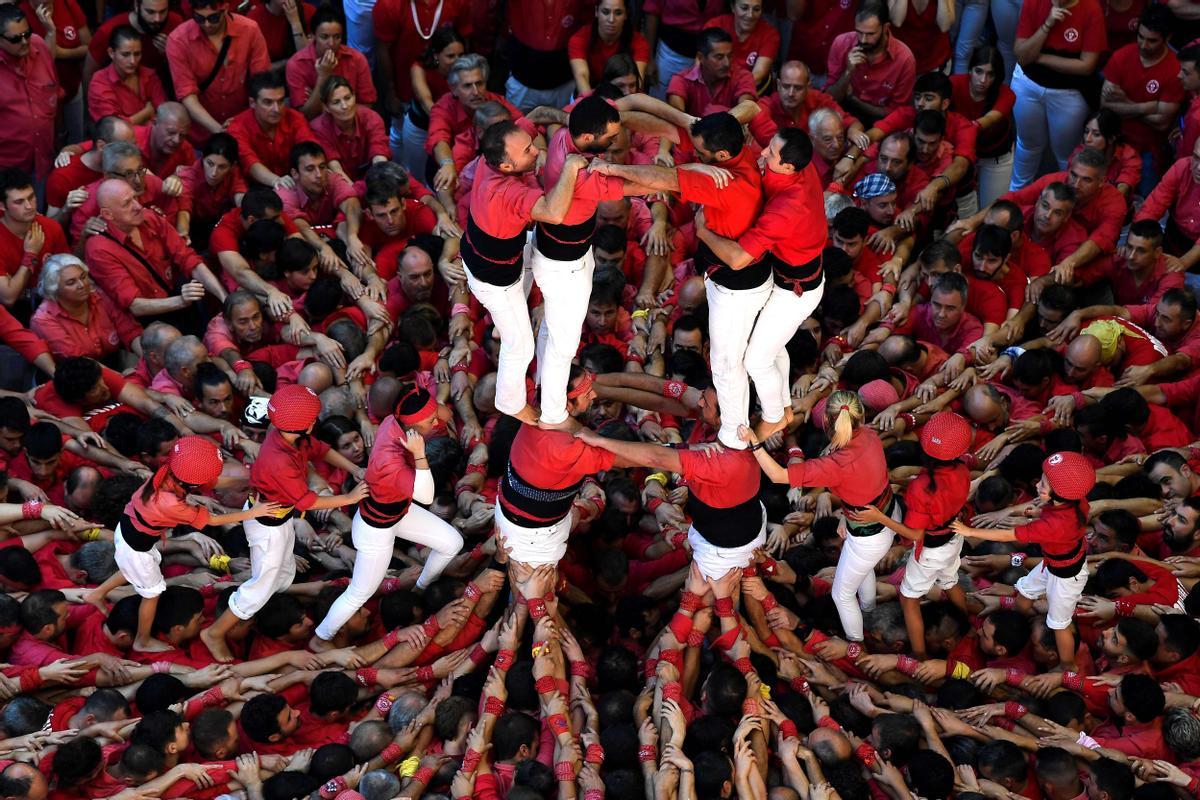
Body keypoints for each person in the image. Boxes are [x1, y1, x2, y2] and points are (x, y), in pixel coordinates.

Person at [199, 383, 367, 661]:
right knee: (261, 585)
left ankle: (272, 604)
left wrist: (354, 469)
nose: (316, 420)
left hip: (279, 515)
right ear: (301, 425)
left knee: (282, 574)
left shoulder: (291, 435)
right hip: (268, 524)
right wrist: (349, 499)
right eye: (312, 417)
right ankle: (215, 632)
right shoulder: (278, 460)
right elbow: (309, 502)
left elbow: (322, 450)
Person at [87, 436, 281, 652]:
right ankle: (142, 640)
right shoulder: (170, 503)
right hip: (136, 546)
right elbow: (214, 519)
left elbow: (211, 481)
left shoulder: (172, 469)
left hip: (128, 528)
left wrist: (253, 477)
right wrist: (255, 512)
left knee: (132, 568)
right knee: (152, 594)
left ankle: (97, 593)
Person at [691, 129, 826, 438]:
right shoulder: (802, 165)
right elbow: (753, 109)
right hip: (785, 274)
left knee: (756, 358)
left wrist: (703, 231)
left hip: (796, 291)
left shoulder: (788, 207)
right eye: (768, 146)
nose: (763, 153)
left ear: (790, 167)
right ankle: (785, 406)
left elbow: (738, 259)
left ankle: (775, 416)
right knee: (769, 344)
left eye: (772, 154)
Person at [312, 386, 463, 648]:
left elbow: (445, 413)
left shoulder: (396, 419)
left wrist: (431, 413)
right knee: (360, 593)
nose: (437, 423)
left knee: (452, 542)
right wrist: (419, 454)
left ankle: (420, 586)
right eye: (430, 422)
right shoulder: (388, 459)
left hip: (397, 510)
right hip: (375, 528)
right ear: (412, 427)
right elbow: (426, 497)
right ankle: (321, 637)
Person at [744, 390, 898, 644]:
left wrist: (755, 444)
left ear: (826, 422)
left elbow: (778, 476)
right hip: (885, 512)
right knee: (863, 569)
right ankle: (869, 609)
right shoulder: (869, 435)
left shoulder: (836, 464)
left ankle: (855, 644)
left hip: (868, 533)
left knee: (842, 595)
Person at [459, 120, 585, 425]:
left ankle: (503, 324)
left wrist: (555, 119)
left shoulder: (495, 155)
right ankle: (510, 401)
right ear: (505, 165)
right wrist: (570, 166)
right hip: (495, 280)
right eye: (528, 150)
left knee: (531, 248)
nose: (535, 149)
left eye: (531, 142)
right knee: (521, 345)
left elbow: (532, 118)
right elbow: (554, 213)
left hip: (487, 253)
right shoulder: (505, 192)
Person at [952, 450, 1095, 670]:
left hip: (1066, 576)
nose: (1038, 486)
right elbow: (1057, 513)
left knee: (1059, 625)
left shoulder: (1052, 527)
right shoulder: (1077, 501)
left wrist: (970, 531)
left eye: (1044, 485)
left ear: (1060, 495)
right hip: (1052, 563)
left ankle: (1067, 666)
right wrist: (1036, 514)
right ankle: (1020, 624)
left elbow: (1008, 535)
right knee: (1024, 596)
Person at [852, 410, 971, 658]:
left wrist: (879, 516)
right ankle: (967, 628)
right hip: (953, 537)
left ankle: (919, 656)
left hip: (931, 549)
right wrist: (903, 483)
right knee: (950, 581)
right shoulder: (961, 469)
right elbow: (939, 491)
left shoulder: (920, 487)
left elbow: (915, 534)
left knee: (909, 600)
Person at [1009, 0, 1106, 188]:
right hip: (1028, 85)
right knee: (1027, 146)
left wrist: (1041, 58)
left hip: (1069, 94)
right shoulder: (1034, 2)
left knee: (1066, 154)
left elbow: (1086, 66)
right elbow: (1022, 55)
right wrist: (1047, 24)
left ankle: (1067, 201)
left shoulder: (1091, 9)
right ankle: (1015, 197)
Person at [166, 0, 270, 145]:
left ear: (225, 8)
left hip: (245, 124)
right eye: (199, 18)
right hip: (200, 134)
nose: (207, 24)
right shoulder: (178, 40)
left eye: (213, 18)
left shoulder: (250, 29)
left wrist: (241, 124)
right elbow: (187, 95)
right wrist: (220, 130)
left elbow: (262, 84)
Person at [30, 254, 141, 361]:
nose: (82, 285)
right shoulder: (43, 320)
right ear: (54, 289)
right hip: (80, 375)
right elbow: (80, 362)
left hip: (116, 363)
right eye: (71, 282)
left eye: (83, 277)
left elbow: (130, 332)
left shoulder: (99, 296)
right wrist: (123, 380)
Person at [825, 1, 916, 127]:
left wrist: (854, 100)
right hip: (841, 116)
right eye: (859, 32)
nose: (863, 40)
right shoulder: (841, 43)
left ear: (885, 28)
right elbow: (828, 99)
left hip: (880, 123)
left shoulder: (904, 59)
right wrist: (847, 72)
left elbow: (896, 113)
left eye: (870, 34)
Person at [0, 4, 60, 184]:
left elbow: (54, 90)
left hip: (43, 159)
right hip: (7, 167)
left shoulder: (39, 45)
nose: (25, 42)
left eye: (27, 33)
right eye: (16, 39)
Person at [285, 7, 375, 120]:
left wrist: (324, 106)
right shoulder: (297, 64)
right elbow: (304, 116)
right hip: (314, 130)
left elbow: (367, 106)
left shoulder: (357, 59)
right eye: (325, 37)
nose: (331, 43)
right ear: (312, 36)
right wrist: (323, 76)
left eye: (337, 37)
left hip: (351, 124)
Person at [401, 27, 465, 178]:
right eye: (450, 56)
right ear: (436, 55)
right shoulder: (419, 69)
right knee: (418, 174)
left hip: (453, 128)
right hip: (420, 128)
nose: (457, 61)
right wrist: (447, 124)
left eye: (461, 55)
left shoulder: (467, 71)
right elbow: (426, 103)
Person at [311, 76, 390, 183]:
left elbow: (379, 158)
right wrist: (356, 194)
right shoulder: (318, 128)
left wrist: (378, 186)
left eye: (348, 98)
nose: (344, 106)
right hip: (338, 183)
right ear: (326, 107)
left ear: (354, 96)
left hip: (373, 178)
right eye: (336, 102)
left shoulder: (371, 118)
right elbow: (335, 169)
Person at [86, 25, 167, 125]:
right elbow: (114, 128)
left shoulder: (150, 75)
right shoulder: (99, 82)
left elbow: (164, 116)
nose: (133, 61)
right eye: (125, 54)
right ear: (111, 53)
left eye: (137, 54)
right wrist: (146, 113)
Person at [568, 0, 649, 96]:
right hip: (589, 95)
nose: (611, 19)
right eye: (605, 12)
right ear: (596, 12)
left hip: (626, 96)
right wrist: (592, 106)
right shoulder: (579, 39)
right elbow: (582, 76)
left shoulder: (639, 42)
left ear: (626, 15)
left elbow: (636, 82)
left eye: (618, 13)